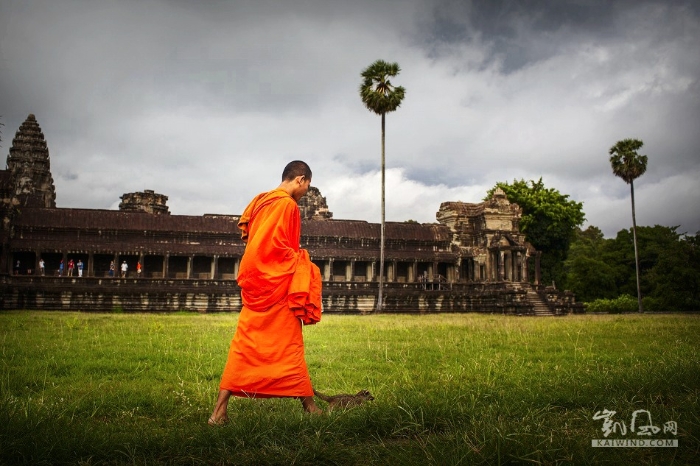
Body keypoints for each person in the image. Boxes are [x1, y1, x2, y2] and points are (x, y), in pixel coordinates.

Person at [209, 160, 323, 425]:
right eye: (307, 186)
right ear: (300, 179)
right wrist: (302, 261)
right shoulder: (285, 204)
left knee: (244, 345)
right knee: (290, 344)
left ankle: (218, 412)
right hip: (277, 282)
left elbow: (254, 241)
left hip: (256, 280)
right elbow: (276, 247)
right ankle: (308, 406)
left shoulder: (261, 201)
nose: (305, 191)